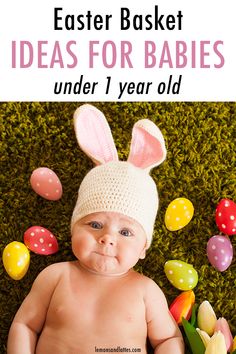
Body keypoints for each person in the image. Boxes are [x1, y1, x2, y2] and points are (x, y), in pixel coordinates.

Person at [7, 104, 184, 354]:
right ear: (73, 229)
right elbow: (24, 325)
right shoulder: (56, 277)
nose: (107, 238)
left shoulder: (145, 290)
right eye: (95, 224)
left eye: (125, 232)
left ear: (144, 247)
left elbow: (168, 340)